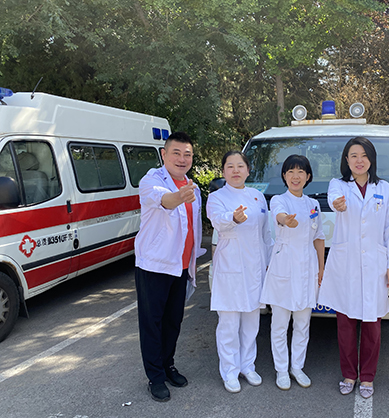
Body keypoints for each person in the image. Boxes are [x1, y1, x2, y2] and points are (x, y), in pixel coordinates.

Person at [319, 137, 389, 399]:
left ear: (371, 159)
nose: (359, 160)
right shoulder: (338, 185)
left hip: (376, 264)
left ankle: (367, 376)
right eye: (353, 155)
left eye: (364, 155)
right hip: (347, 265)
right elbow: (334, 200)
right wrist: (338, 204)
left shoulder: (384, 188)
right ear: (346, 160)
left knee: (373, 325)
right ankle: (349, 374)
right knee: (345, 324)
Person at [134, 131, 206, 402]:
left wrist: (193, 262)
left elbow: (193, 228)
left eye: (187, 154)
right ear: (164, 154)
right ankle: (155, 377)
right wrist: (179, 196)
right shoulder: (152, 180)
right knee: (152, 323)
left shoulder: (193, 187)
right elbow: (164, 200)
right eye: (176, 153)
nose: (182, 159)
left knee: (173, 321)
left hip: (180, 266)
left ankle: (168, 365)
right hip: (155, 266)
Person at [206, 151, 273, 393]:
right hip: (230, 268)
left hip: (255, 268)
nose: (235, 170)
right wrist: (233, 218)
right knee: (229, 324)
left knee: (251, 322)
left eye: (240, 166)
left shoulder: (257, 196)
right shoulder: (216, 197)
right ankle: (230, 371)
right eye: (230, 166)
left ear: (248, 170)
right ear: (223, 171)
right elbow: (217, 221)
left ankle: (247, 365)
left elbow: (266, 234)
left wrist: (269, 262)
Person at [260, 155, 325, 390]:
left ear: (308, 176)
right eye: (290, 172)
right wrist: (286, 220)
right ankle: (281, 369)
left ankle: (297, 367)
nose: (295, 176)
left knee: (303, 323)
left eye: (300, 172)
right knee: (279, 323)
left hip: (308, 267)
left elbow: (319, 237)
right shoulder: (279, 200)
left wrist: (321, 268)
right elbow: (279, 215)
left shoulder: (314, 204)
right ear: (284, 176)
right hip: (284, 264)